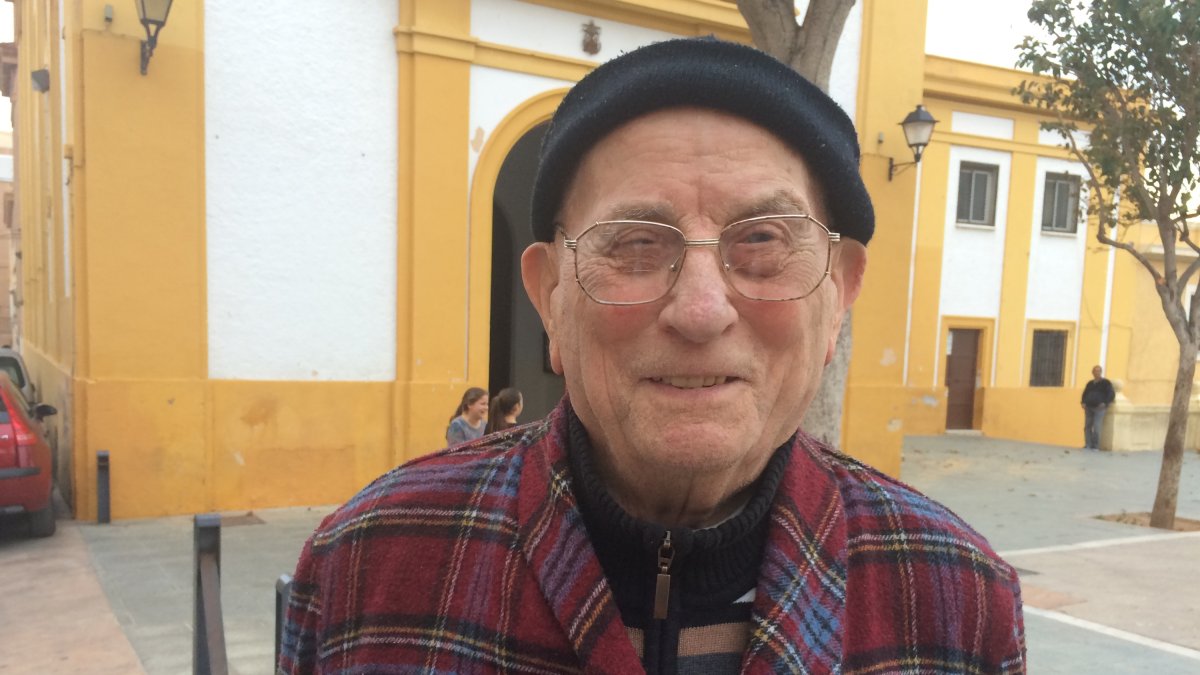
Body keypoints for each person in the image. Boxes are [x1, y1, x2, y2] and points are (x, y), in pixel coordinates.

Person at [280, 38, 1024, 673]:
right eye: (635, 244)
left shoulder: (954, 600)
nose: (700, 310)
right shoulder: (368, 569)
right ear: (549, 296)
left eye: (762, 241)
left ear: (839, 291)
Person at [1082, 365, 1116, 450]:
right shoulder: (1090, 383)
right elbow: (1085, 393)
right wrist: (1083, 402)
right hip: (1089, 407)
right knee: (1087, 427)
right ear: (1092, 373)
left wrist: (1105, 403)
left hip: (1099, 408)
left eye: (1098, 371)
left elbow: (1111, 394)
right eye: (1095, 371)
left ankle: (1095, 446)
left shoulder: (1106, 383)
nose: (1096, 372)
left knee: (1097, 427)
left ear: (1101, 372)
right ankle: (1088, 444)